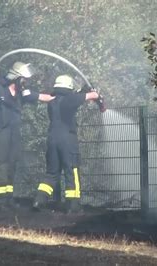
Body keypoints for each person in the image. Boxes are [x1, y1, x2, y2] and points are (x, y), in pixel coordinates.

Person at [0, 61, 54, 209]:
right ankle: (0, 200)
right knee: (2, 164)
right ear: (16, 77)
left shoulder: (22, 93)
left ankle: (9, 197)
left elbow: (42, 97)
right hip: (0, 132)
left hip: (14, 133)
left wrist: (64, 96)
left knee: (12, 163)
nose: (26, 82)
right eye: (24, 78)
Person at [32, 74, 100, 213]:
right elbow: (89, 97)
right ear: (69, 87)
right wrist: (94, 94)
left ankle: (39, 200)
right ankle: (73, 206)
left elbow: (75, 99)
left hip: (52, 139)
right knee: (72, 171)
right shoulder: (70, 100)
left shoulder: (53, 101)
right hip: (67, 141)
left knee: (51, 173)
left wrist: (83, 91)